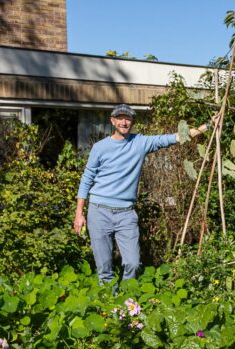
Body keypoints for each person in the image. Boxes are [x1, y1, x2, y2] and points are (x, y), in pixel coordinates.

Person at [73, 104, 212, 284]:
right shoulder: (100, 147)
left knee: (133, 263)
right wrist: (79, 214)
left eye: (128, 118)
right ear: (112, 121)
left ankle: (127, 303)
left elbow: (174, 138)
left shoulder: (140, 142)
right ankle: (109, 307)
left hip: (126, 213)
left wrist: (207, 126)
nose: (124, 122)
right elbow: (86, 179)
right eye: (120, 118)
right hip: (99, 211)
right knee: (104, 267)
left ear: (132, 121)